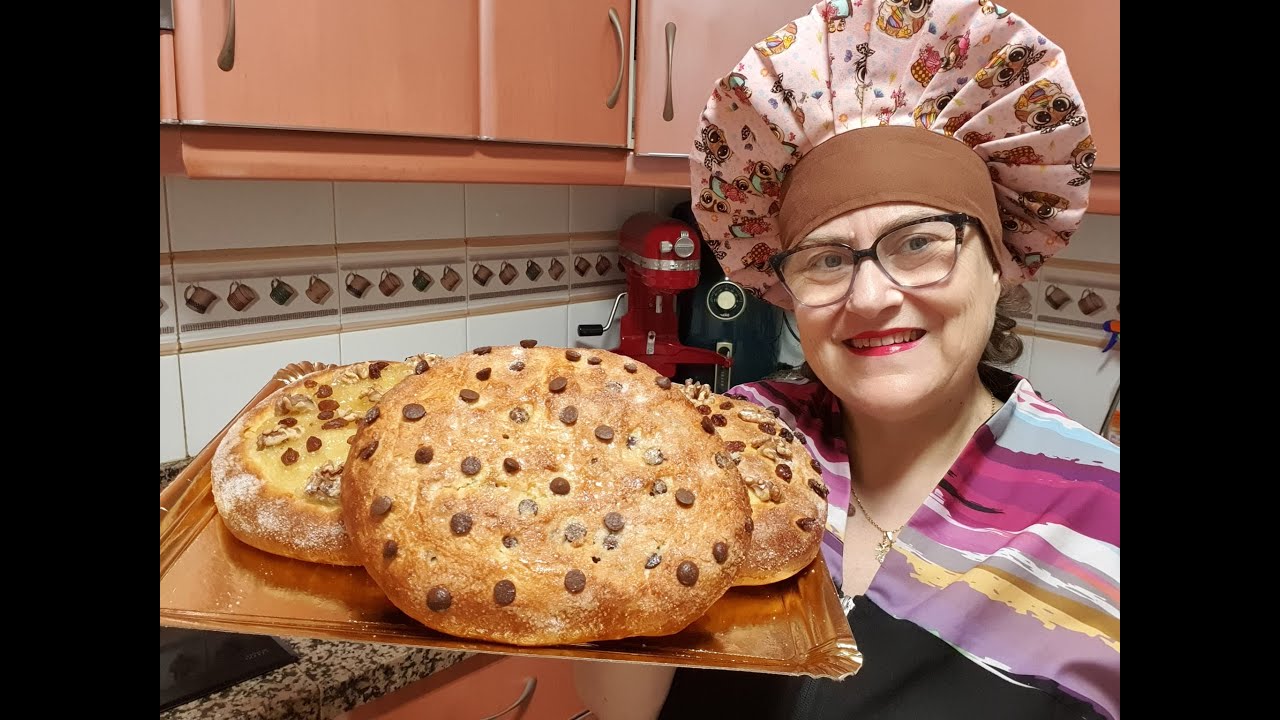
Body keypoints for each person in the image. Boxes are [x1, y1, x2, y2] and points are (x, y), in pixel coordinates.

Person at [572, 1, 1119, 718]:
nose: (870, 297)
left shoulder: (1101, 518)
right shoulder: (732, 447)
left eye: (919, 244)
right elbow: (623, 709)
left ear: (1001, 261)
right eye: (827, 260)